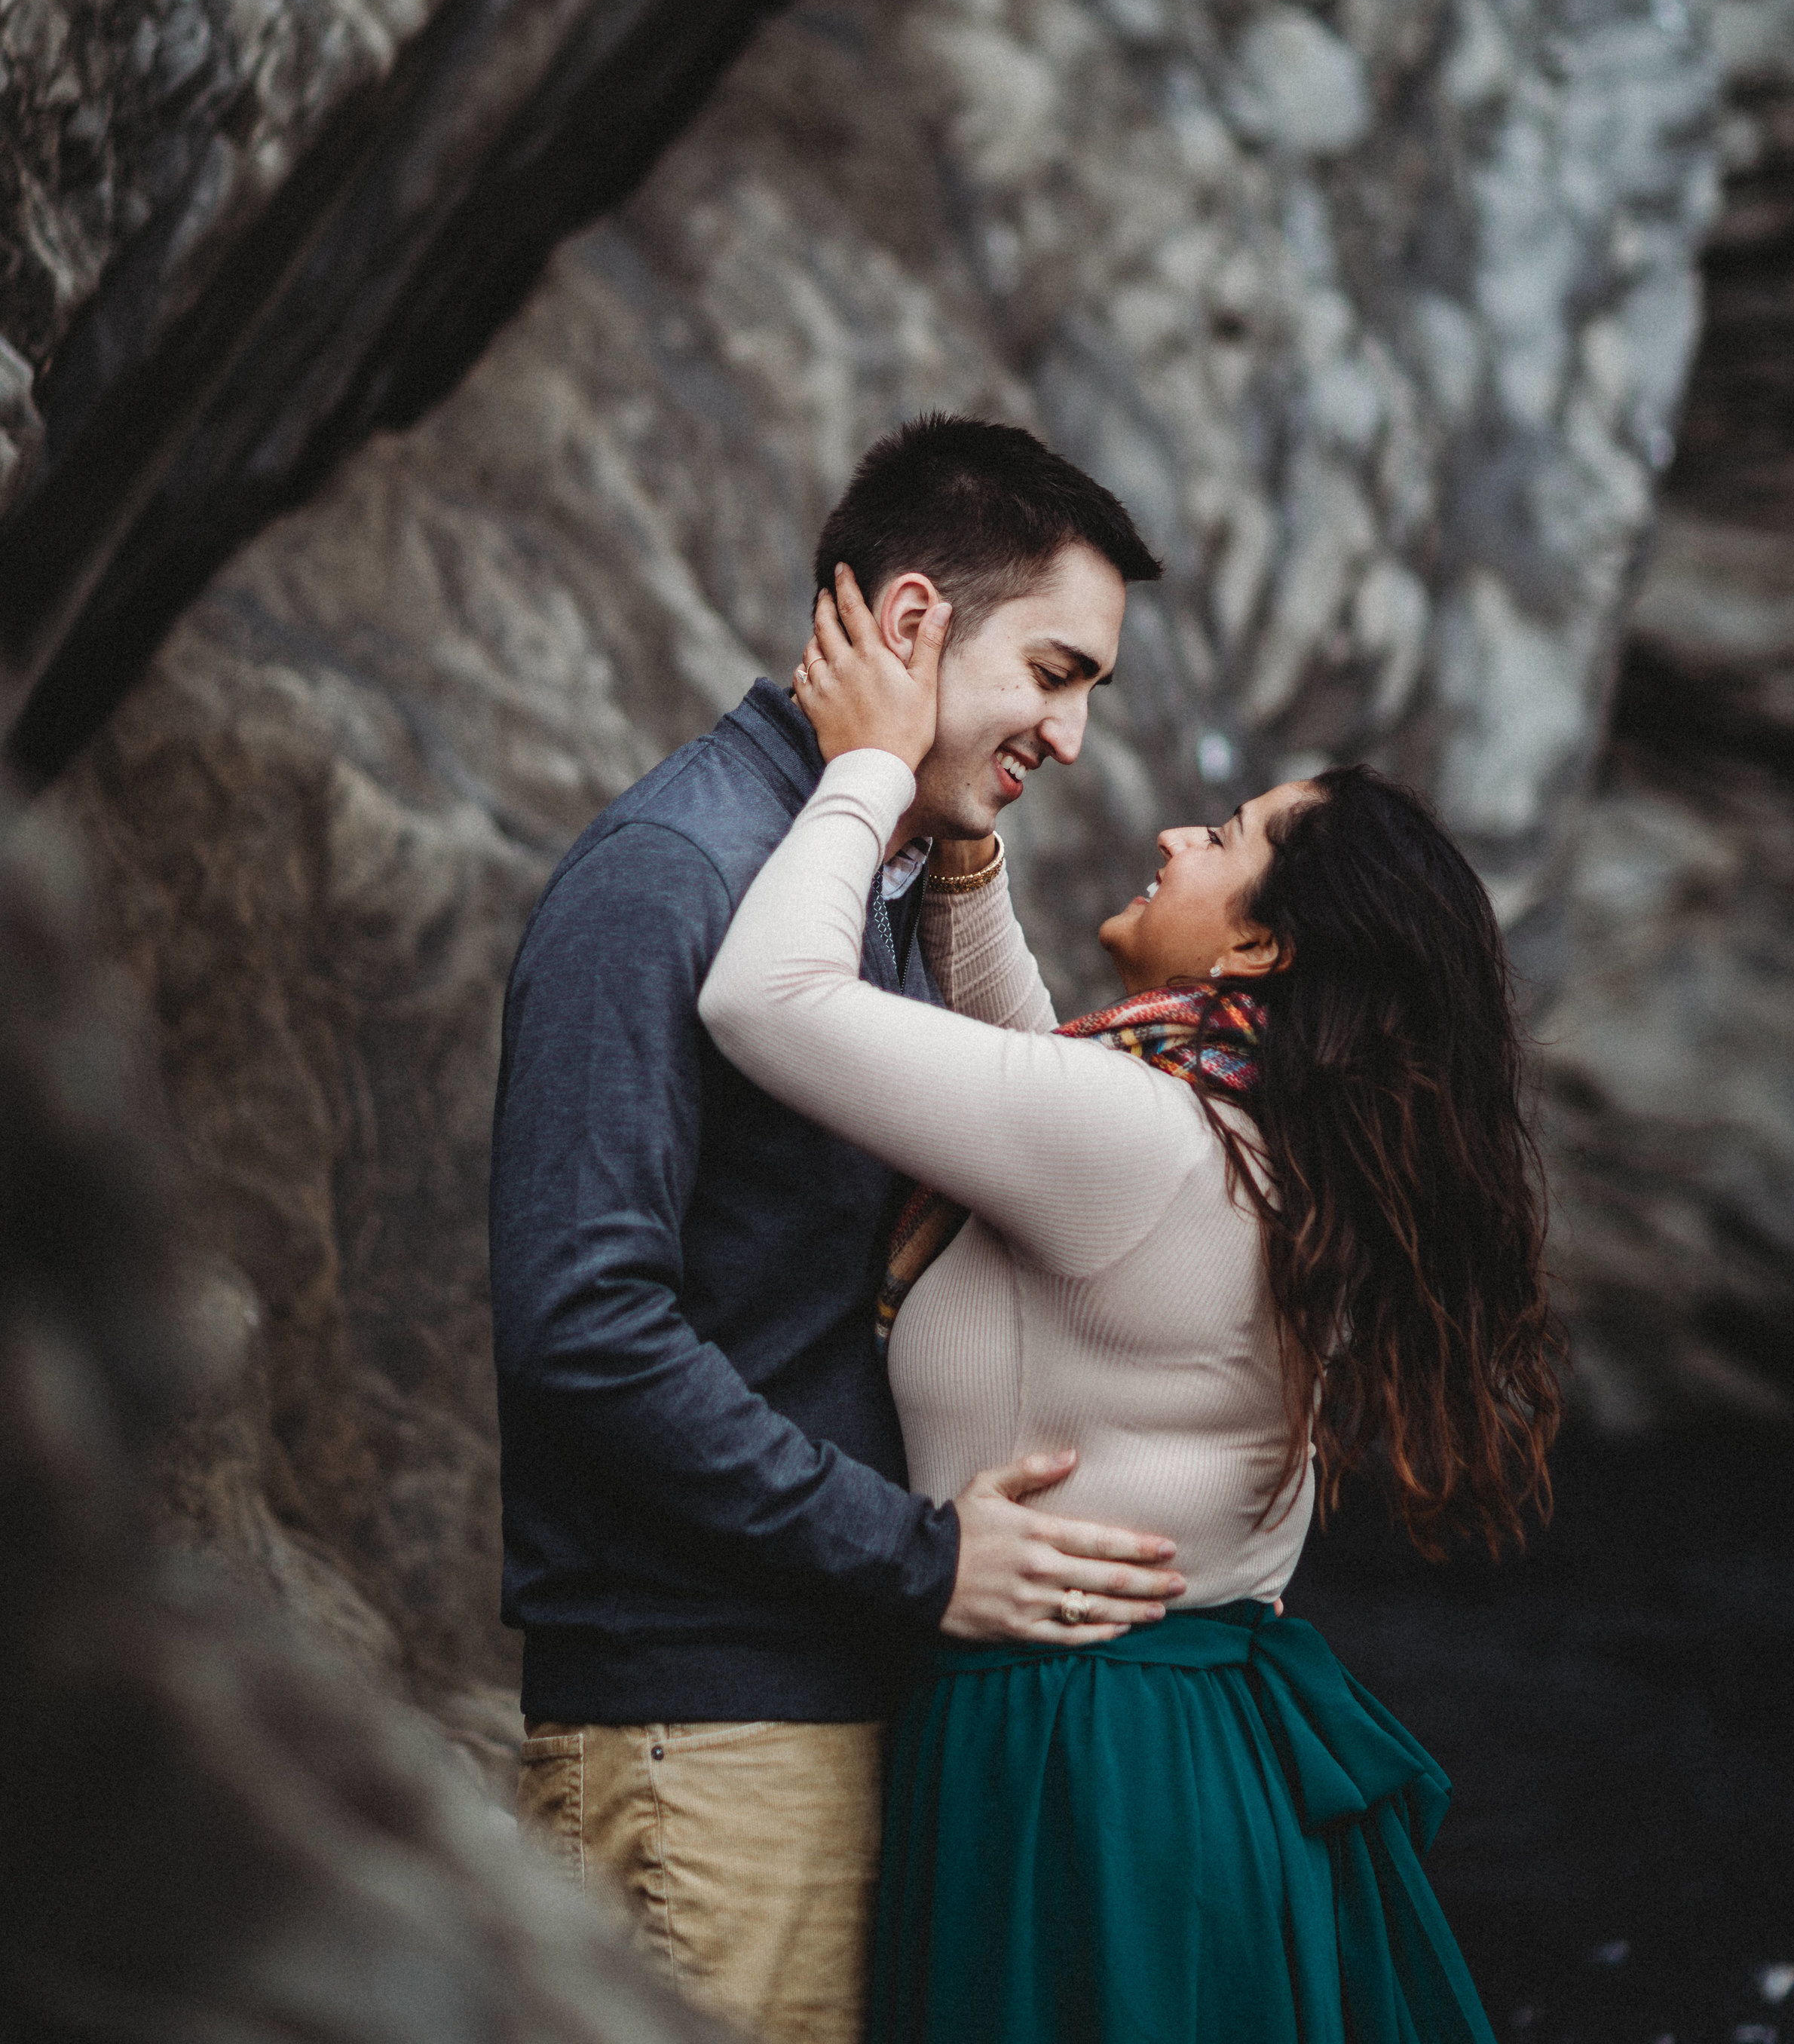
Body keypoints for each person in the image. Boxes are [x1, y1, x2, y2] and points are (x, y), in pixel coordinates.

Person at [700, 566, 1563, 2044]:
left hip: (1079, 1764)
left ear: (1260, 952)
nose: (1176, 832)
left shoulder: (1145, 1142)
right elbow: (1040, 1092)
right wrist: (963, 856)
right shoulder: (1248, 1139)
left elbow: (762, 1003)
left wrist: (858, 769)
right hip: (1181, 1749)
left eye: (1222, 839)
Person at [490, 417, 1183, 2044]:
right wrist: (923, 1557)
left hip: (809, 1707)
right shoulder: (670, 874)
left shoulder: (851, 880)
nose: (1072, 737)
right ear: (913, 622)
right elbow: (582, 1327)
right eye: (1057, 672)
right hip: (700, 1733)